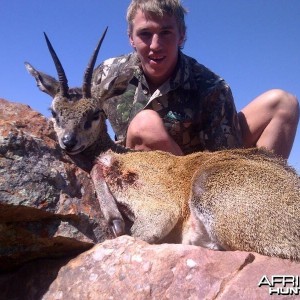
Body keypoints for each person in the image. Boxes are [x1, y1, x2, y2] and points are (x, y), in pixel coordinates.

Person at [93, 0, 299, 159]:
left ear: (181, 35)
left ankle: (261, 201)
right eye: (145, 34)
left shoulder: (212, 87)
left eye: (166, 32)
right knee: (145, 126)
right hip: (137, 171)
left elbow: (224, 157)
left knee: (283, 103)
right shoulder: (106, 75)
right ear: (131, 38)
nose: (155, 45)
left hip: (198, 170)